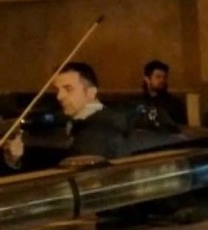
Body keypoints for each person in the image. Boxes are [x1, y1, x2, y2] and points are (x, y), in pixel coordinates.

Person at [3, 62, 131, 169]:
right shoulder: (100, 122)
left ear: (91, 93)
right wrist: (15, 158)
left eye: (68, 89)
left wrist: (13, 161)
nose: (59, 96)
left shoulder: (94, 134)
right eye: (57, 90)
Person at [137, 59, 186, 128]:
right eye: (158, 77)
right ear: (147, 79)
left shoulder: (175, 104)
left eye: (164, 77)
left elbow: (181, 128)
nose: (162, 80)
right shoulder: (138, 103)